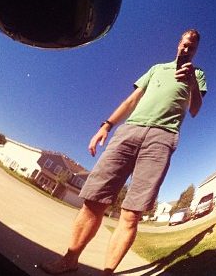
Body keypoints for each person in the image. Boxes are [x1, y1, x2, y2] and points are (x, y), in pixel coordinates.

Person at [40, 29, 207, 275]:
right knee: (94, 201)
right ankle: (69, 260)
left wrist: (191, 82)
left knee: (131, 214)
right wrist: (106, 126)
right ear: (178, 44)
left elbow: (194, 110)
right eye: (185, 43)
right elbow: (132, 100)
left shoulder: (198, 74)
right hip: (130, 131)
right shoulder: (157, 69)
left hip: (162, 138)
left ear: (195, 51)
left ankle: (107, 273)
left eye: (192, 47)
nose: (187, 48)